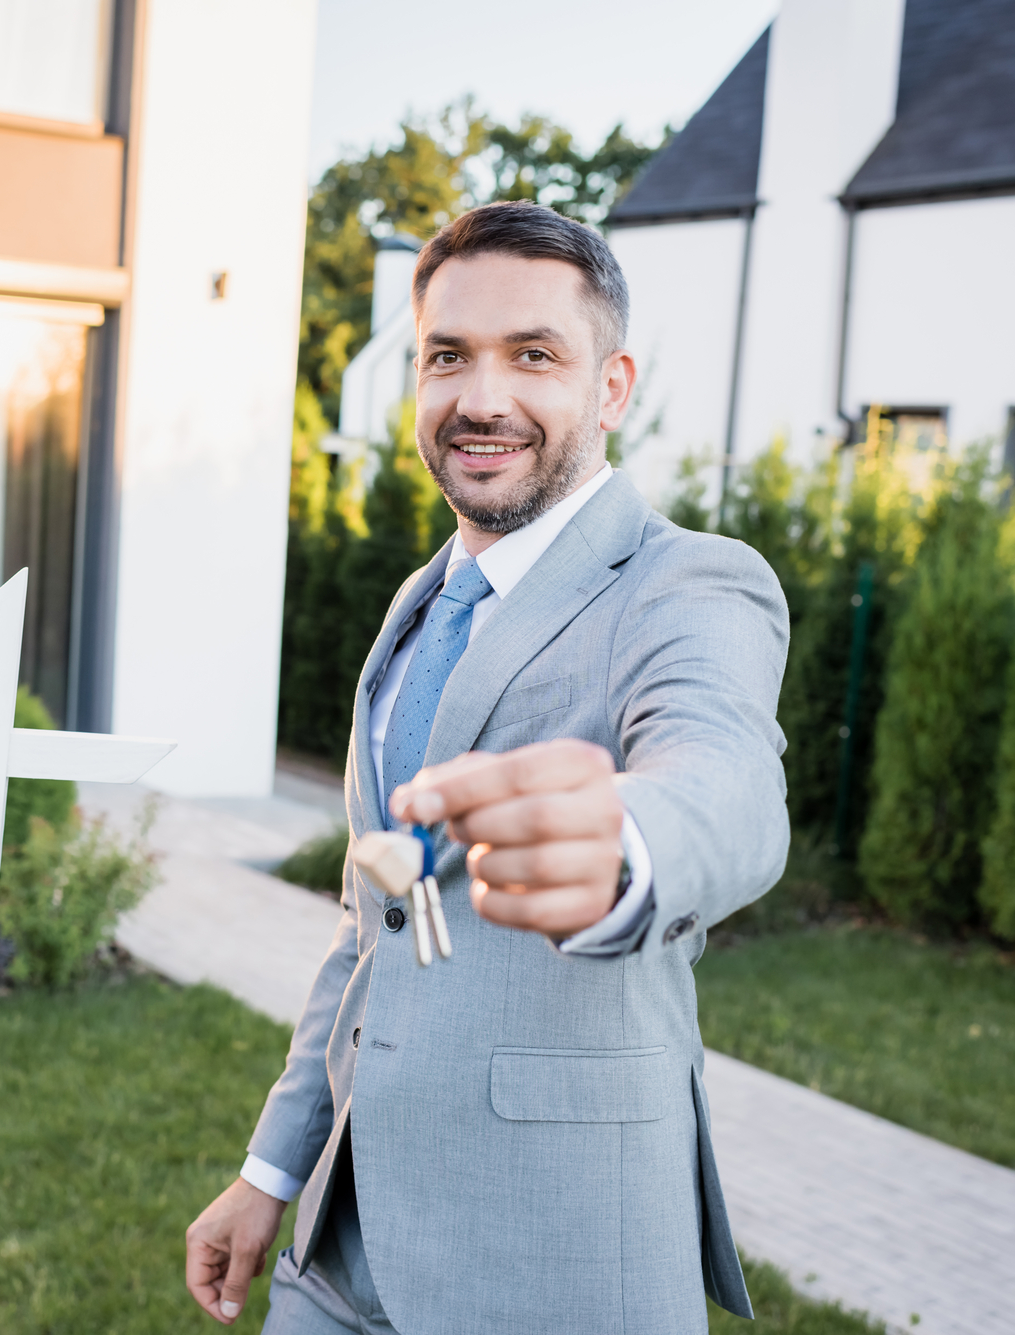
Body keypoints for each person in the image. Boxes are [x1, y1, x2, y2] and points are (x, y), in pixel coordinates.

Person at [184, 200, 790, 1333]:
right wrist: (271, 1172)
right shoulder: (420, 606)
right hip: (339, 1252)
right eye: (447, 356)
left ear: (610, 387)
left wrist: (622, 844)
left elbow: (728, 780)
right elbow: (374, 921)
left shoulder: (688, 585)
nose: (481, 397)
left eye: (533, 356)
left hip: (550, 1259)